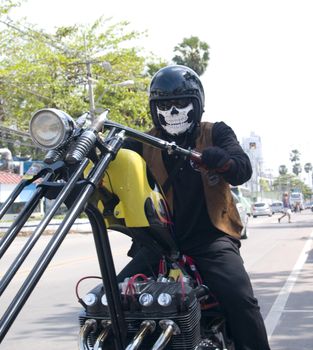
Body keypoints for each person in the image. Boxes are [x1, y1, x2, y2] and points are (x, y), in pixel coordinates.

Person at [118, 65, 271, 350]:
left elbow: (242, 169)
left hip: (210, 239)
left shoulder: (216, 132)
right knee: (114, 299)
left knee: (241, 300)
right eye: (165, 105)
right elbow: (112, 174)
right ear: (154, 108)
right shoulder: (141, 143)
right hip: (158, 244)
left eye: (180, 104)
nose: (173, 111)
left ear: (196, 105)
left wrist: (223, 162)